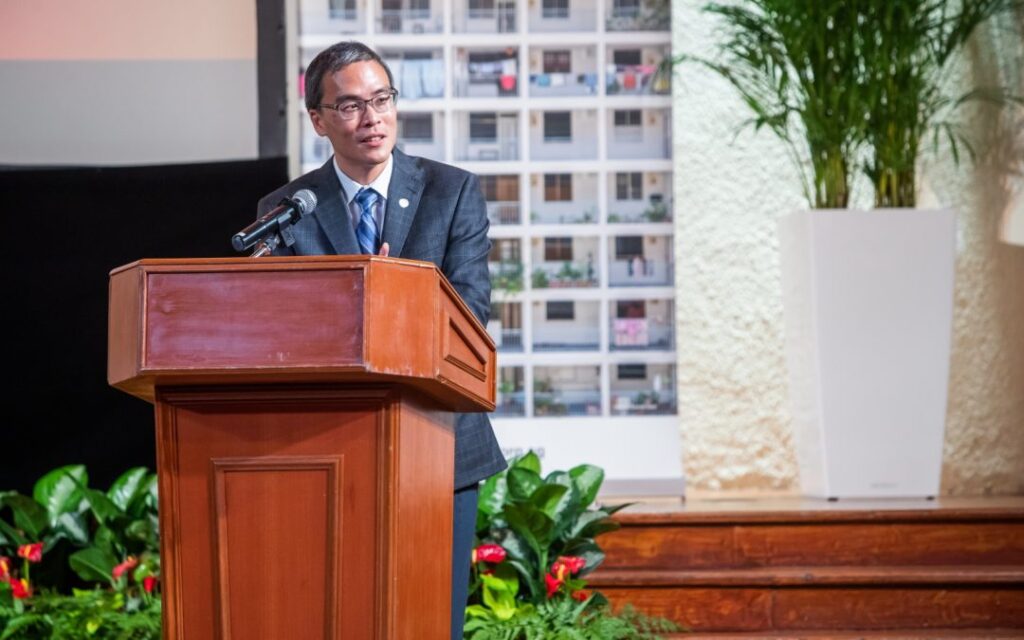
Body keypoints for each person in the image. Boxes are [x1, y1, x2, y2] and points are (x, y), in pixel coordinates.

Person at [257, 41, 506, 639]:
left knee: (431, 619)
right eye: (349, 106)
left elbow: (471, 312)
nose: (371, 119)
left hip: (439, 445)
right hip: (328, 448)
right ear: (318, 120)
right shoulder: (286, 210)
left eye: (382, 100)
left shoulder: (452, 192)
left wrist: (395, 303)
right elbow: (281, 330)